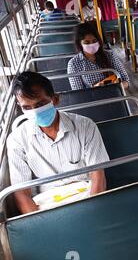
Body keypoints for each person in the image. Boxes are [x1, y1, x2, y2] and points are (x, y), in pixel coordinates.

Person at [6, 72, 110, 215]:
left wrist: (93, 213)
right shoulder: (17, 140)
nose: (35, 112)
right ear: (20, 107)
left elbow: (98, 176)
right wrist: (41, 224)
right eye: (27, 108)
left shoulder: (85, 126)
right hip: (47, 204)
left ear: (55, 99)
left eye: (40, 104)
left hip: (86, 195)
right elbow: (21, 193)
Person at [67, 23, 130, 90]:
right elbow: (79, 94)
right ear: (80, 44)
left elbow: (126, 81)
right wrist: (96, 89)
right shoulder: (74, 64)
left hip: (115, 94)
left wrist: (114, 87)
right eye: (87, 43)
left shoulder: (109, 55)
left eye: (94, 41)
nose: (91, 45)